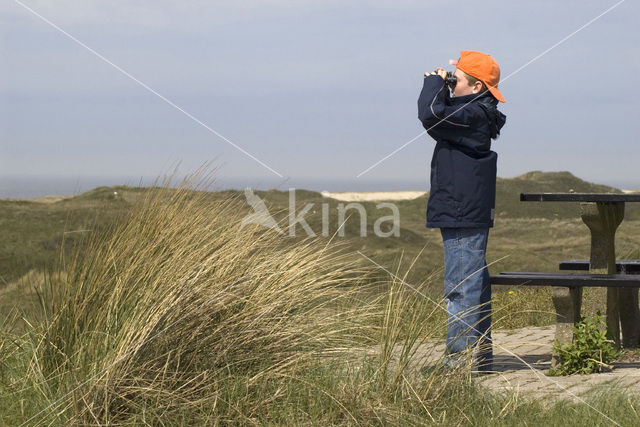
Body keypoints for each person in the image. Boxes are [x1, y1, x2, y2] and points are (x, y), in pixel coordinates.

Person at [417, 50, 506, 372]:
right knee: (473, 286)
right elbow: (439, 115)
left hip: (461, 211)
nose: (452, 86)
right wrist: (444, 86)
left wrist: (433, 84)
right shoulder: (476, 113)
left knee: (460, 289)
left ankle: (458, 364)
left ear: (478, 87)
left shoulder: (474, 116)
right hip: (464, 209)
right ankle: (478, 360)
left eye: (458, 81)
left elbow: (430, 115)